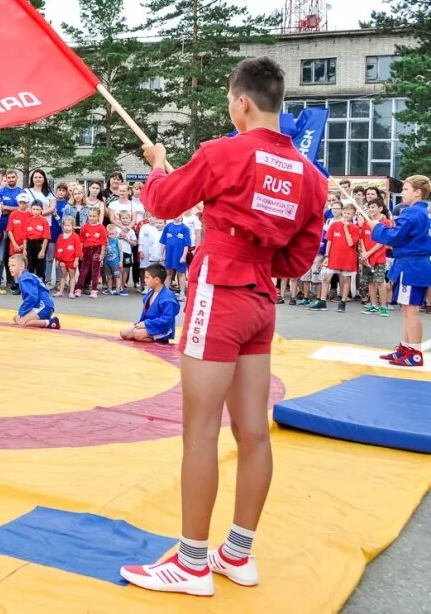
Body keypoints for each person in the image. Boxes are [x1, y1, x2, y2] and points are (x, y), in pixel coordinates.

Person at [121, 56, 326, 597]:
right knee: (253, 430)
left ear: (242, 102)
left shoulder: (223, 151)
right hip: (261, 298)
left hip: (220, 290)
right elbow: (301, 259)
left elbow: (162, 202)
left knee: (201, 430)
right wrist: (257, 263)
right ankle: (237, 552)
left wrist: (159, 164)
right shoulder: (310, 175)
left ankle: (190, 561)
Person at [369, 175, 431, 367]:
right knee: (406, 308)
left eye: (405, 189)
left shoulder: (412, 213)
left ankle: (414, 351)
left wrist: (377, 227)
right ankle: (406, 348)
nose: (402, 193)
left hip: (411, 265)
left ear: (417, 192)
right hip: (414, 263)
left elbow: (395, 237)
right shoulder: (423, 213)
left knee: (410, 310)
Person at [310, 201, 359, 313]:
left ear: (353, 215)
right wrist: (327, 255)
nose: (346, 215)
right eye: (345, 212)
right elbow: (329, 241)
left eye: (349, 213)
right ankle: (322, 301)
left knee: (345, 279)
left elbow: (351, 243)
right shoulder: (334, 225)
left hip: (348, 257)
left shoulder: (354, 228)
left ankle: (343, 302)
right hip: (334, 256)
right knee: (326, 278)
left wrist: (346, 229)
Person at [120, 264, 180, 343]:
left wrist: (146, 324)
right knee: (124, 332)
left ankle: (160, 338)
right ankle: (146, 334)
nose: (145, 280)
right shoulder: (150, 293)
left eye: (147, 278)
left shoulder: (168, 299)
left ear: (157, 280)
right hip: (149, 325)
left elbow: (167, 320)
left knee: (138, 334)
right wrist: (141, 324)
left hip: (163, 328)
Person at [9, 253, 60, 329]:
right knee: (16, 318)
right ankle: (44, 318)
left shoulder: (25, 279)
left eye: (13, 265)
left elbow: (31, 298)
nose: (10, 268)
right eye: (9, 266)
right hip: (42, 305)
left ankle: (50, 322)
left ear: (22, 266)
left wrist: (21, 312)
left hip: (43, 306)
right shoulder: (27, 276)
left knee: (22, 322)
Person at [359, 200, 392, 317]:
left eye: (373, 207)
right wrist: (364, 253)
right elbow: (362, 238)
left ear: (380, 208)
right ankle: (373, 305)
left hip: (379, 257)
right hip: (366, 258)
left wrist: (369, 253)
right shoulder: (366, 222)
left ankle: (383, 307)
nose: (371, 209)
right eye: (369, 207)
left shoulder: (386, 222)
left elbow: (383, 241)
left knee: (380, 282)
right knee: (370, 282)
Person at [76, 208, 108, 298]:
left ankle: (94, 289)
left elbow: (103, 242)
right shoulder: (85, 227)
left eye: (94, 216)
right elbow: (81, 241)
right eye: (90, 216)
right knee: (83, 270)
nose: (92, 218)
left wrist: (102, 254)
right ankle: (79, 288)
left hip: (96, 250)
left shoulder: (101, 227)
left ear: (98, 216)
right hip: (86, 250)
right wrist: (80, 252)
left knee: (95, 270)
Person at [160, 214, 193, 296]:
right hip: (169, 254)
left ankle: (182, 293)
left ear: (181, 215)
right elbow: (163, 242)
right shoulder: (168, 227)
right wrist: (161, 254)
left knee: (181, 273)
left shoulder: (184, 228)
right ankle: (166, 292)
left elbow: (186, 244)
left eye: (178, 214)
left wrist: (184, 256)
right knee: (168, 272)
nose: (176, 216)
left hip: (179, 255)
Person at [53, 217, 82, 297]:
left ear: (73, 226)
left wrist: (76, 260)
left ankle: (71, 292)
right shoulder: (60, 236)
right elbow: (57, 248)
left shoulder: (75, 236)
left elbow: (78, 249)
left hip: (71, 260)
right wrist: (57, 260)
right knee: (63, 276)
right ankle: (61, 292)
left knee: (72, 277)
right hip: (62, 260)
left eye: (69, 225)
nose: (66, 227)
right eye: (65, 225)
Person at [24, 201, 51, 283]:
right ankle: (30, 283)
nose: (35, 211)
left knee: (40, 265)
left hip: (40, 244)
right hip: (30, 243)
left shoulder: (44, 221)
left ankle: (41, 283)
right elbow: (25, 237)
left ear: (41, 210)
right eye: (34, 209)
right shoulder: (28, 220)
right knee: (29, 265)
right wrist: (24, 249)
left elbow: (46, 237)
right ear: (31, 209)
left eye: (38, 209)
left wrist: (43, 251)